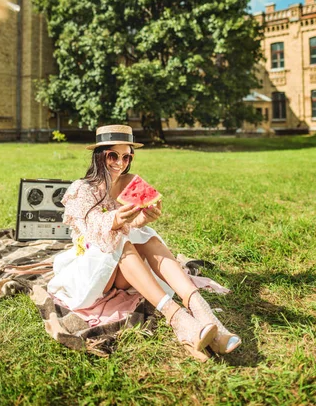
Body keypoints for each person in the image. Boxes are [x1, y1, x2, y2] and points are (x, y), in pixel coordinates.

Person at [47, 124, 241, 361]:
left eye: (127, 156)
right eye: (113, 156)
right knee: (122, 243)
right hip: (93, 272)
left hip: (123, 270)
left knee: (146, 235)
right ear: (100, 155)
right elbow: (93, 233)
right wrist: (117, 218)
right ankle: (177, 316)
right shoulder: (82, 189)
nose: (120, 162)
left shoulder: (130, 182)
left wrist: (140, 219)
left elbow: (131, 227)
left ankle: (203, 312)